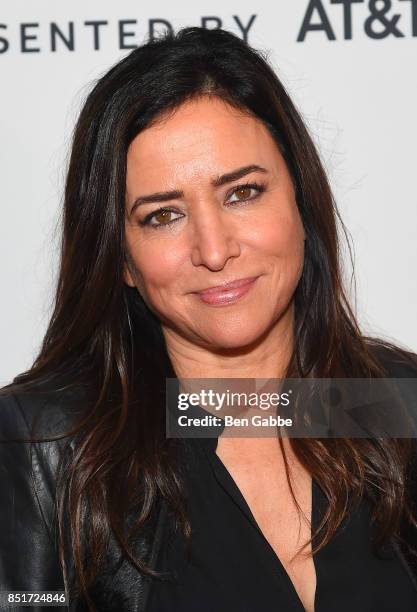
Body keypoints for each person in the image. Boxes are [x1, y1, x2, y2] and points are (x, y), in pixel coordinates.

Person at [1, 25, 417, 612]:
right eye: (162, 215)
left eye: (242, 193)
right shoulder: (46, 442)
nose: (214, 250)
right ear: (120, 257)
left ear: (300, 198)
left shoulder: (397, 402)